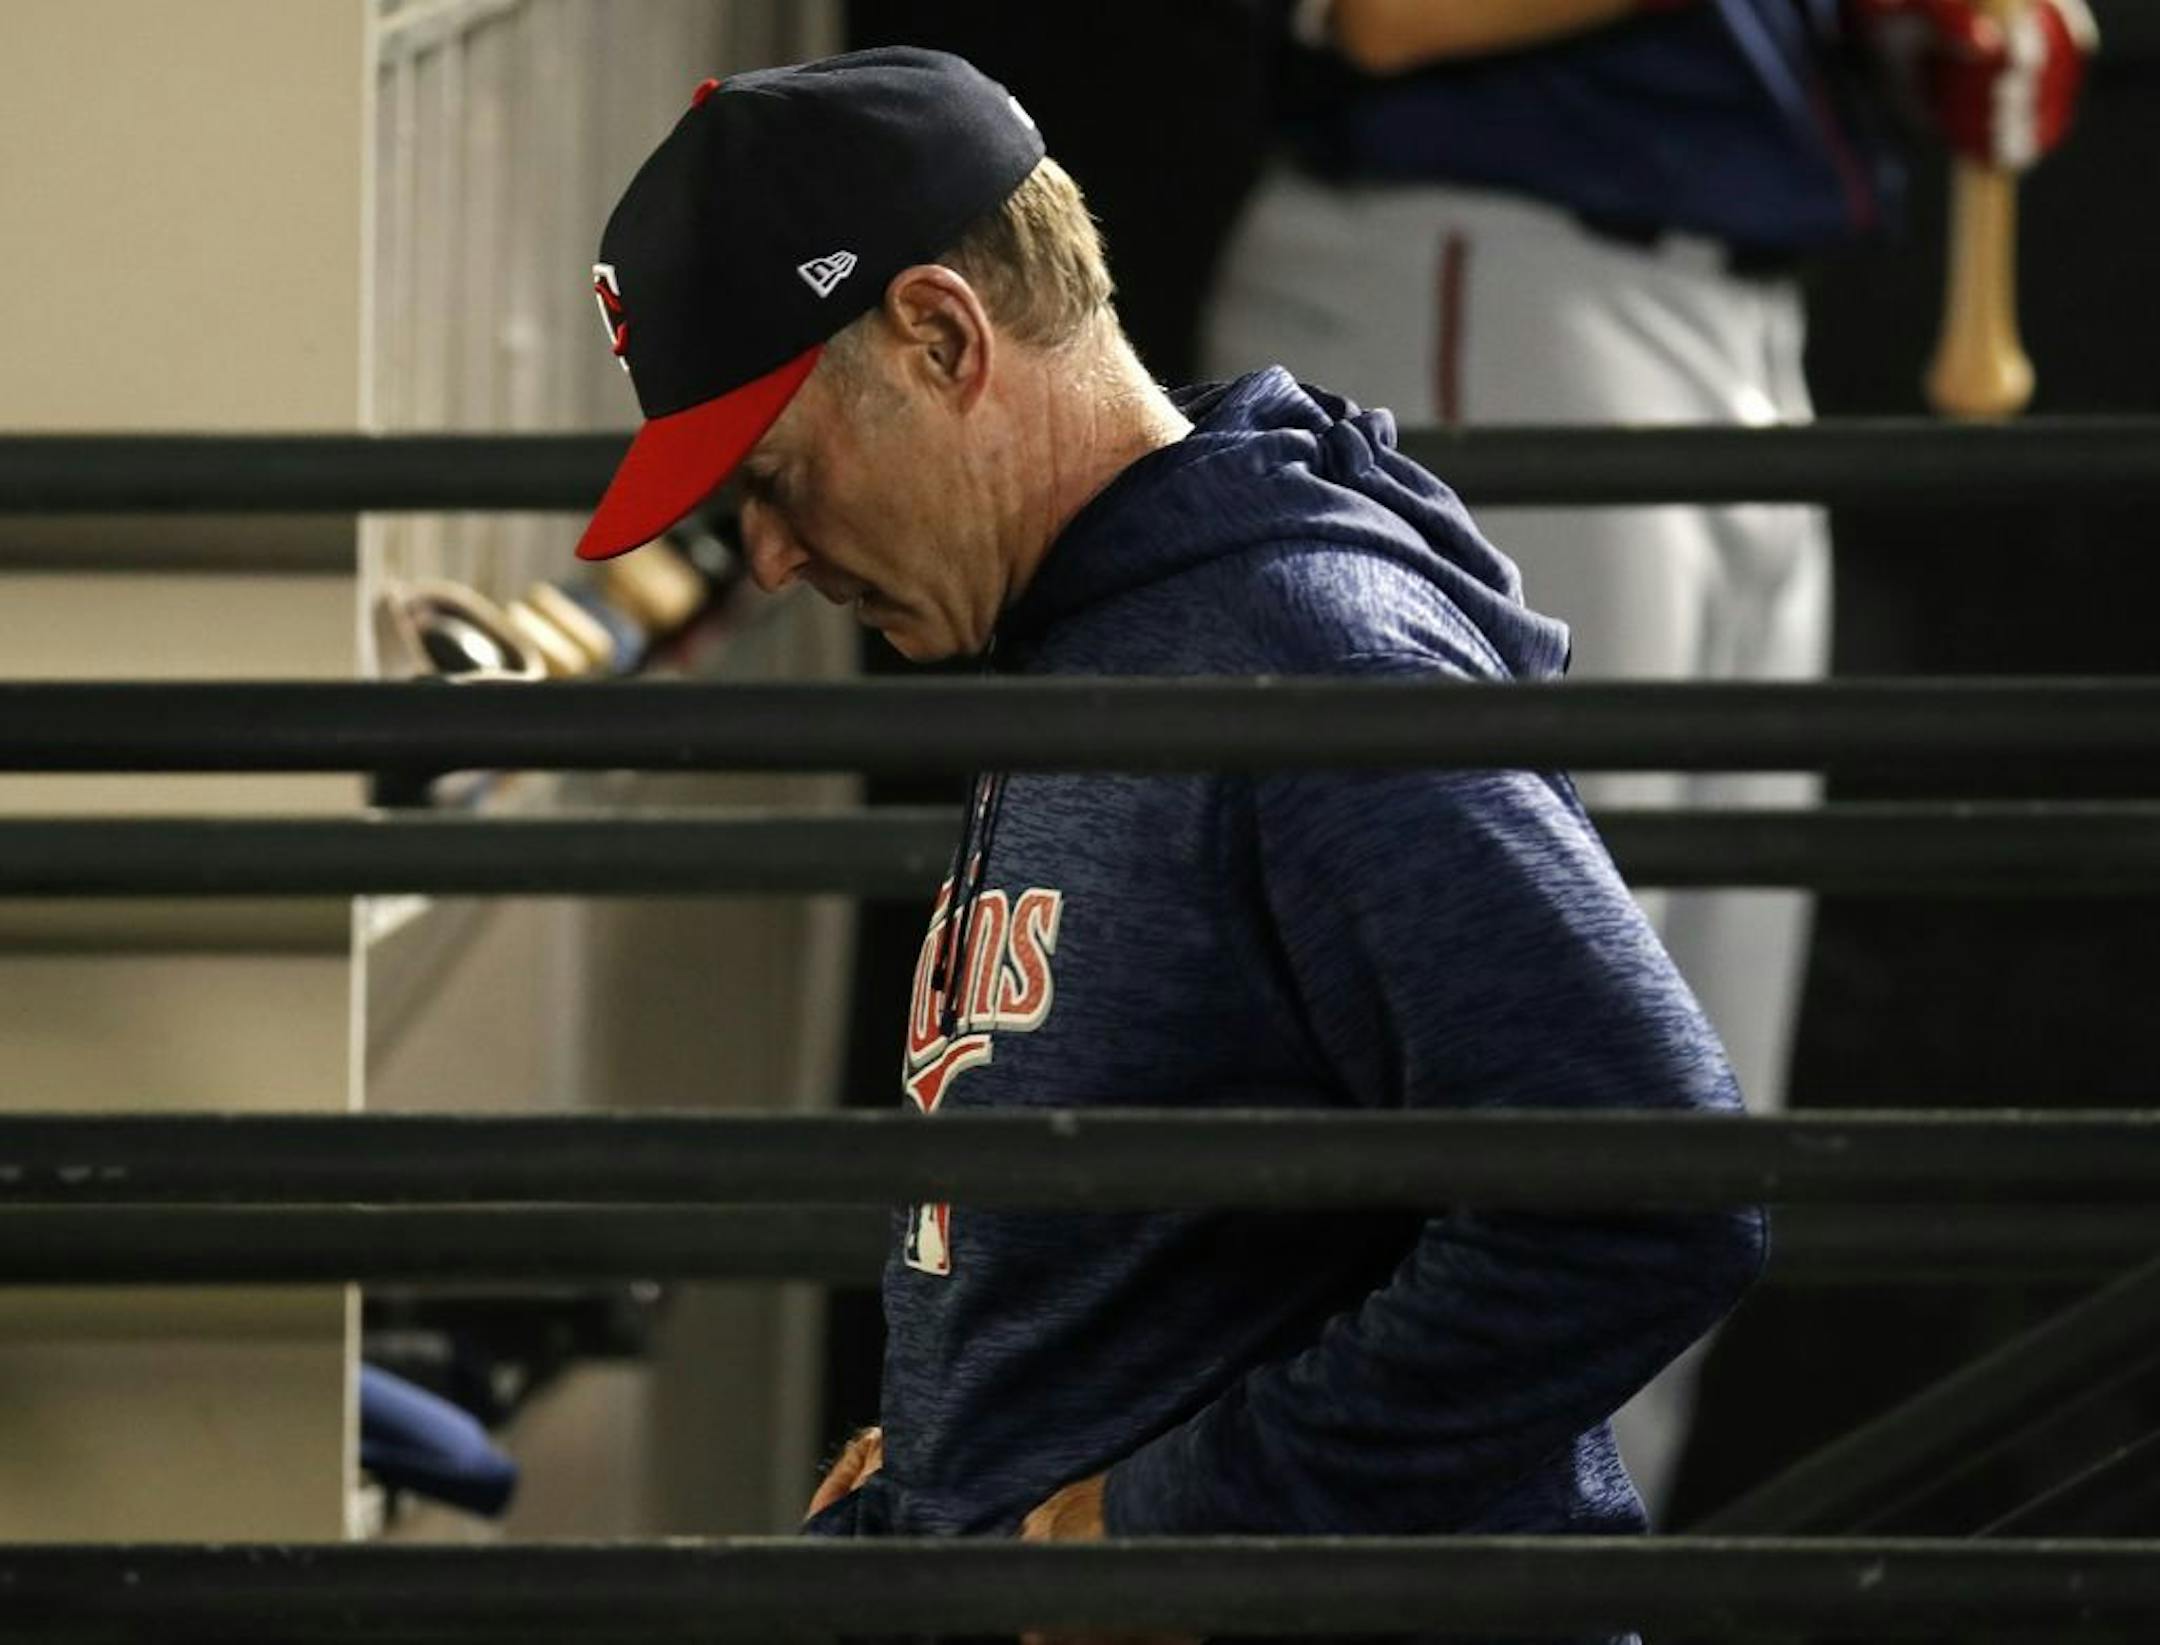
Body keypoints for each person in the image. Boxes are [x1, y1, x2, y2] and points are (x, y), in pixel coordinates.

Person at [574, 47, 1764, 1645]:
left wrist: (1176, 1525)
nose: (773, 556)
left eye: (777, 477)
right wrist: (950, 1465)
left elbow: (1653, 1188)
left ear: (939, 334)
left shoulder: (1295, 657)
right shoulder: (1098, 637)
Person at [1200, 0, 2094, 1515]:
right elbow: (1383, 20)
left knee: (1676, 1137)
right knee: (1485, 1094)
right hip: (1490, 269)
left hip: (1740, 319)